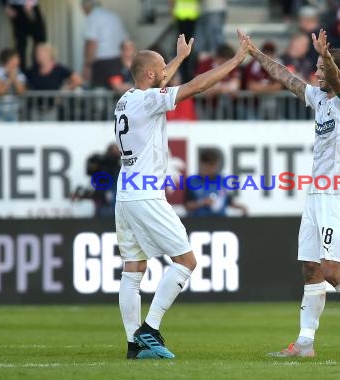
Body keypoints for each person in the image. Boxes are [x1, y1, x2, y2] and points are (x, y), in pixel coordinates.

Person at [238, 28, 340, 358]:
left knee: (332, 271)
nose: (316, 74)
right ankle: (305, 343)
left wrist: (325, 58)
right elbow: (285, 77)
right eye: (318, 69)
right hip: (317, 194)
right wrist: (254, 53)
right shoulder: (318, 98)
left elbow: (334, 78)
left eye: (322, 70)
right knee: (310, 268)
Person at [114, 32, 250, 360]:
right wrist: (233, 62)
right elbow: (197, 87)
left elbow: (157, 80)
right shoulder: (149, 100)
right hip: (146, 193)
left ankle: (134, 344)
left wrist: (179, 59)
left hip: (125, 192)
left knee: (133, 268)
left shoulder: (127, 99)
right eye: (162, 68)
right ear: (150, 74)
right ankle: (150, 329)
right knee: (186, 261)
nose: (167, 72)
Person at [26, 43, 82, 120]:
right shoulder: (32, 70)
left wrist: (65, 89)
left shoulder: (59, 69)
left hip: (52, 110)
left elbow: (78, 80)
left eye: (40, 52)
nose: (37, 55)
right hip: (35, 110)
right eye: (37, 53)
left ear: (49, 54)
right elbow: (24, 84)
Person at [184, 149, 248, 217]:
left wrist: (241, 208)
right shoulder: (192, 181)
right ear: (202, 164)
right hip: (200, 223)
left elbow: (229, 201)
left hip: (221, 223)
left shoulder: (222, 181)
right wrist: (202, 202)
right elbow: (187, 206)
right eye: (210, 165)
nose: (212, 168)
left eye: (214, 165)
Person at [81, 0, 129, 87]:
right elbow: (125, 41)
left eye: (83, 8)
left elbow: (91, 42)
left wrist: (87, 66)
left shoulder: (93, 16)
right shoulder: (114, 16)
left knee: (99, 91)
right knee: (116, 92)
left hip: (101, 62)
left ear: (87, 6)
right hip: (117, 61)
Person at [0, 0, 47, 71]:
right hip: (16, 6)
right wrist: (6, 6)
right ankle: (21, 71)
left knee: (40, 39)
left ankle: (37, 69)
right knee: (21, 42)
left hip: (32, 5)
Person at [0, 48, 27, 122]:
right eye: (16, 57)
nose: (19, 59)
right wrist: (10, 79)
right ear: (9, 59)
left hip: (15, 112)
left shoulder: (19, 73)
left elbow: (21, 92)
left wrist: (15, 79)